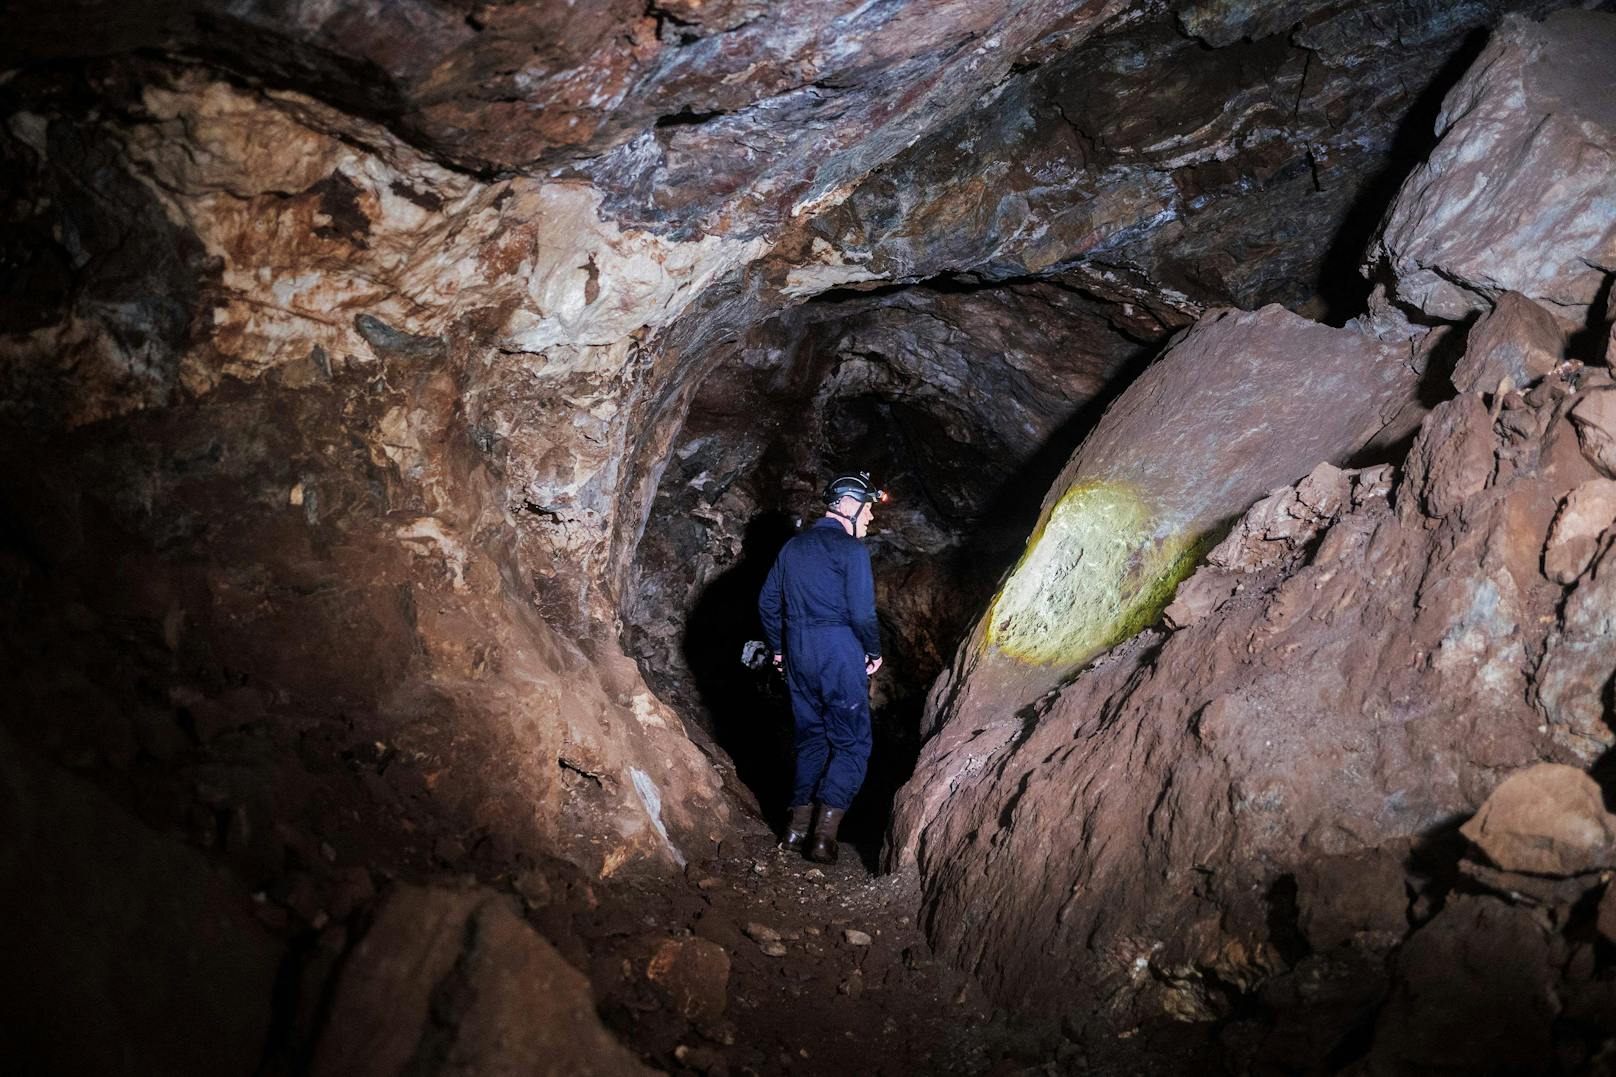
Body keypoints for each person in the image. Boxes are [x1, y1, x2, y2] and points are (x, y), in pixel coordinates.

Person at [757, 472, 885, 863]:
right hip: (838, 649)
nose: (870, 518)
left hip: (798, 650)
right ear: (848, 504)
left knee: (811, 739)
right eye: (867, 508)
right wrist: (874, 650)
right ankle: (823, 838)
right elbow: (863, 612)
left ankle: (794, 832)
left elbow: (767, 603)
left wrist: (780, 649)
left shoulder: (792, 548)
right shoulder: (850, 550)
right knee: (852, 742)